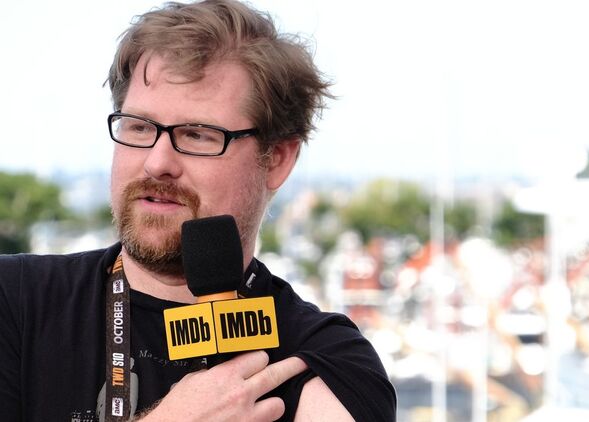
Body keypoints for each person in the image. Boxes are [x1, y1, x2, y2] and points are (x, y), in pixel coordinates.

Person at [0, 1, 396, 421]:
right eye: (139, 127)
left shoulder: (324, 360)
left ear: (277, 159)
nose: (157, 162)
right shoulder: (15, 300)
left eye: (197, 135)